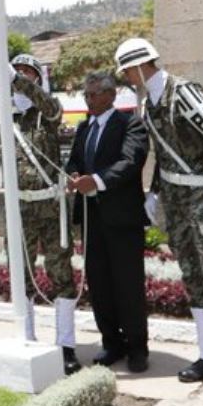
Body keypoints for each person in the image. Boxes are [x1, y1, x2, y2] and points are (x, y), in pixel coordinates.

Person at [115, 37, 203, 390]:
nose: (128, 79)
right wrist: (154, 193)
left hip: (201, 195)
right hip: (175, 200)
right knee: (191, 275)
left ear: (141, 66)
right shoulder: (147, 106)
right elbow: (162, 156)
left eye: (128, 71)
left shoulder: (184, 92)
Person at [0, 54, 83, 373]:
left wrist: (17, 81)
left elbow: (52, 107)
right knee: (21, 274)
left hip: (49, 204)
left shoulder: (45, 113)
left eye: (28, 74)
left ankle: (66, 345)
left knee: (60, 273)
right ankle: (29, 338)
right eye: (16, 74)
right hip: (19, 206)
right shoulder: (3, 117)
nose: (21, 79)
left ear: (37, 80)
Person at [65, 71, 150, 373]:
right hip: (92, 219)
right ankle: (111, 342)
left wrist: (97, 181)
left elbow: (130, 161)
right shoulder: (84, 128)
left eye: (94, 94)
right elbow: (74, 160)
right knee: (99, 283)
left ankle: (138, 347)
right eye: (86, 95)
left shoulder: (131, 124)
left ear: (111, 95)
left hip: (122, 219)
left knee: (127, 284)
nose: (89, 100)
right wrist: (74, 176)